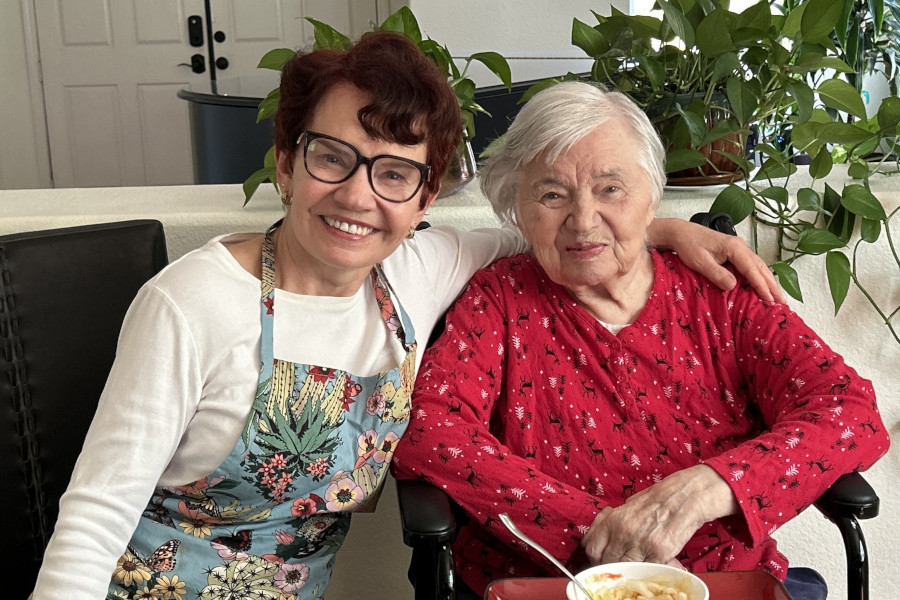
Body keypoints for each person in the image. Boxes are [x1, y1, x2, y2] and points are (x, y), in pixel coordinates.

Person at [31, 34, 781, 600]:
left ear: (424, 200)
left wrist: (658, 226)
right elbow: (95, 517)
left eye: (393, 174)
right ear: (287, 163)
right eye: (332, 157)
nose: (359, 197)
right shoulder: (192, 303)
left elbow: (548, 228)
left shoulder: (414, 275)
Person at [391, 81, 891, 600]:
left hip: (717, 581)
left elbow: (849, 409)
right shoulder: (498, 299)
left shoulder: (721, 295)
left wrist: (710, 486)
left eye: (611, 189)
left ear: (652, 198)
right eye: (552, 194)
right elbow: (430, 430)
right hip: (544, 582)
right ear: (517, 206)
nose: (583, 220)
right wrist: (595, 528)